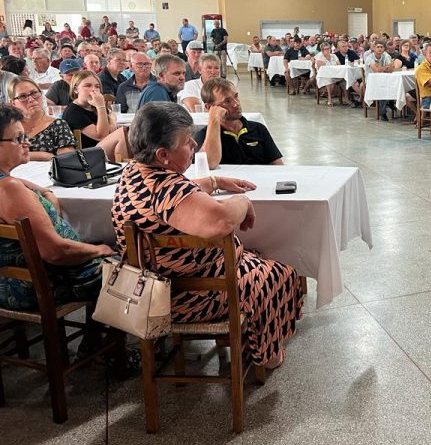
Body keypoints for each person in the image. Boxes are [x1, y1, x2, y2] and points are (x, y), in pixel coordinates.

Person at [112, 102, 302, 370]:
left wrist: (214, 182)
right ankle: (268, 355)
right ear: (163, 154)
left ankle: (253, 337)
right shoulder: (168, 189)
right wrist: (242, 201)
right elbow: (220, 221)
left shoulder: (135, 172)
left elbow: (176, 196)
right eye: (186, 141)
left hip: (154, 284)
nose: (193, 144)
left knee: (256, 256)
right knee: (280, 274)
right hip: (190, 296)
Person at [0, 105, 113, 310]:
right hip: (45, 282)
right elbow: (56, 252)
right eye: (18, 138)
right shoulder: (10, 190)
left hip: (13, 281)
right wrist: (99, 250)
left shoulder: (8, 182)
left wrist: (46, 193)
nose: (27, 143)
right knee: (134, 264)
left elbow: (17, 184)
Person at [195, 78, 283, 168]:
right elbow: (209, 164)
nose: (236, 104)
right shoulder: (204, 136)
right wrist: (214, 119)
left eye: (236, 96)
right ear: (209, 107)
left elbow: (278, 165)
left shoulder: (258, 129)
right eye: (227, 101)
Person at [8, 76, 77, 160]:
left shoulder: (58, 125)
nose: (31, 99)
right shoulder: (7, 127)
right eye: (23, 96)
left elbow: (67, 159)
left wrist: (21, 155)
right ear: (12, 103)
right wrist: (43, 155)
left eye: (34, 93)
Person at [62, 70, 118, 148]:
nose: (93, 89)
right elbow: (101, 136)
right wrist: (100, 106)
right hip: (88, 152)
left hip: (104, 148)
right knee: (122, 135)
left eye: (97, 86)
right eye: (88, 86)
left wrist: (111, 123)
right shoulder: (73, 112)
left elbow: (111, 114)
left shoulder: (93, 105)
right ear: (76, 89)